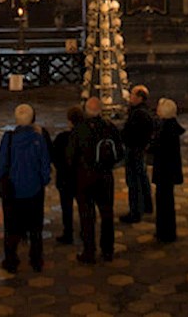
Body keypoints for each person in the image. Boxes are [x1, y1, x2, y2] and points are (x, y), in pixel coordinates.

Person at [0, 103, 52, 273]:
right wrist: (43, 180)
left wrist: (0, 180)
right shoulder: (38, 139)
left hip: (12, 191)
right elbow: (44, 164)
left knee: (11, 228)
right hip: (34, 190)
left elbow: (0, 165)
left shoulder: (9, 139)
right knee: (35, 228)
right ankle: (36, 260)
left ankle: (11, 260)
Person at [68, 95, 122, 263]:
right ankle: (108, 250)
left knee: (87, 215)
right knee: (107, 213)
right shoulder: (109, 127)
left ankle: (89, 251)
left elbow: (70, 155)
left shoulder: (80, 129)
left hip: (85, 178)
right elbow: (119, 152)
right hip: (105, 177)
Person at [150, 97, 185, 243]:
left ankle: (165, 233)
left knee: (164, 203)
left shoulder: (165, 130)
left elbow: (157, 148)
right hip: (169, 170)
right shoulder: (170, 127)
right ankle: (165, 231)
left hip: (164, 170)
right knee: (166, 201)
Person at [119, 84, 154, 223]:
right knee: (142, 177)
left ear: (140, 98)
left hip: (134, 149)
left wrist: (123, 137)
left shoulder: (139, 114)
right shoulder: (142, 111)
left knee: (134, 181)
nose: (129, 96)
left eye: (132, 94)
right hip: (138, 149)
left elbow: (132, 133)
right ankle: (147, 205)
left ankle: (135, 212)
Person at [50, 104, 83, 244]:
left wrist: (60, 168)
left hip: (65, 178)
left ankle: (68, 232)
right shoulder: (85, 136)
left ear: (69, 120)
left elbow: (54, 157)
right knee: (84, 205)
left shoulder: (62, 138)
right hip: (82, 177)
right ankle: (85, 231)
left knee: (66, 206)